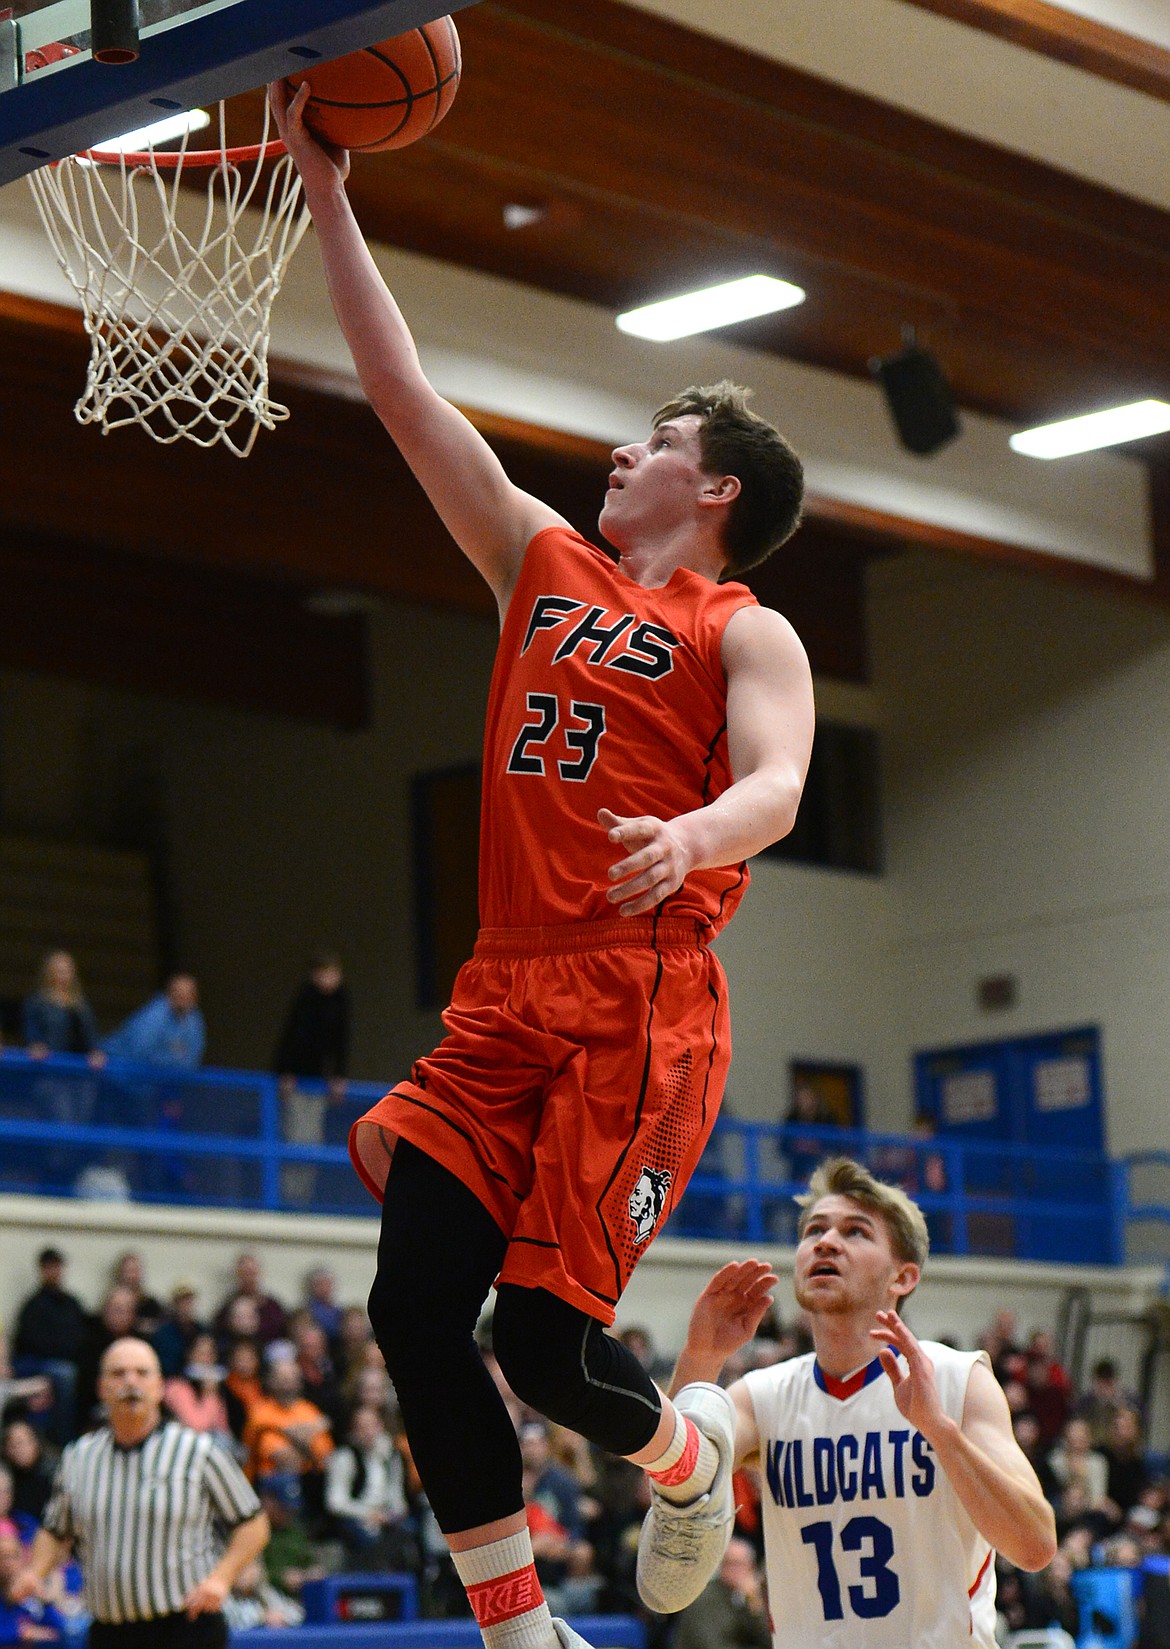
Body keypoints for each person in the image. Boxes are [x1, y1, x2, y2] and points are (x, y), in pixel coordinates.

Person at [270, 74, 813, 1649]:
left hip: (643, 997)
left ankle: (688, 1452)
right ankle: (519, 1632)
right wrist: (328, 195)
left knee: (546, 1346)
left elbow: (776, 784)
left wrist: (691, 834)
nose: (616, 453)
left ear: (710, 489)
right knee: (406, 1312)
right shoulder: (537, 559)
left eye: (653, 440)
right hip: (508, 992)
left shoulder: (742, 625)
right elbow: (402, 392)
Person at [638, 1156, 1057, 1644]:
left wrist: (940, 1430)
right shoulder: (764, 1396)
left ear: (902, 1278)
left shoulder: (960, 1379)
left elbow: (1035, 1546)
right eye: (814, 1230)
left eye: (856, 1232)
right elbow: (676, 1471)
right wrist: (702, 1358)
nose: (826, 1241)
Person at [9, 1336, 269, 1649]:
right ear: (102, 1388)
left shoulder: (198, 1451)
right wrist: (35, 1572)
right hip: (110, 1631)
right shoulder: (78, 1457)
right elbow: (55, 1530)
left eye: (142, 1373)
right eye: (118, 1374)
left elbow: (253, 1524)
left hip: (186, 1626)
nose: (130, 1382)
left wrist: (222, 1578)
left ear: (160, 1388)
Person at [272, 955, 350, 1205]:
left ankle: (302, 1199)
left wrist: (338, 1076)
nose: (330, 979)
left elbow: (340, 1042)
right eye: (325, 973)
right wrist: (285, 1072)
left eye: (334, 973)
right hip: (298, 1082)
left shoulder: (341, 1002)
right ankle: (288, 1199)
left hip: (318, 1083)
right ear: (315, 975)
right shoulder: (305, 1000)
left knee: (313, 1142)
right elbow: (292, 1038)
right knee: (296, 1139)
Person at [11, 1249, 88, 1444]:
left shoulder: (72, 1303)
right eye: (49, 1267)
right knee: (66, 1374)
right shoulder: (32, 1305)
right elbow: (29, 1343)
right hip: (39, 1364)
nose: (54, 1271)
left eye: (57, 1267)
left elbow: (82, 1336)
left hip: (70, 1361)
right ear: (42, 1270)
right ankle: (65, 1439)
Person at [672, 1537, 771, 1649]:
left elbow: (768, 1641)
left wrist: (755, 1605)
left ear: (751, 1568)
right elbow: (710, 1644)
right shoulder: (706, 1598)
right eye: (730, 1563)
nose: (735, 1570)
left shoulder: (747, 1596)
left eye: (740, 1564)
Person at [102, 975, 205, 1070]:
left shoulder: (193, 1019)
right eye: (178, 993)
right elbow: (141, 1053)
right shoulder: (155, 1015)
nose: (183, 998)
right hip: (115, 1070)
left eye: (189, 994)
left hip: (151, 1082)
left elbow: (192, 1058)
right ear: (169, 994)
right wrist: (176, 1057)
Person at [22, 952, 103, 1066]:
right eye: (60, 971)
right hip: (48, 1064)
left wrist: (95, 1052)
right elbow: (31, 1030)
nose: (64, 976)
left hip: (77, 1066)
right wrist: (36, 1045)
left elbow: (90, 1034)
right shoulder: (37, 1002)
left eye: (67, 971)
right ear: (50, 973)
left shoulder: (81, 1005)